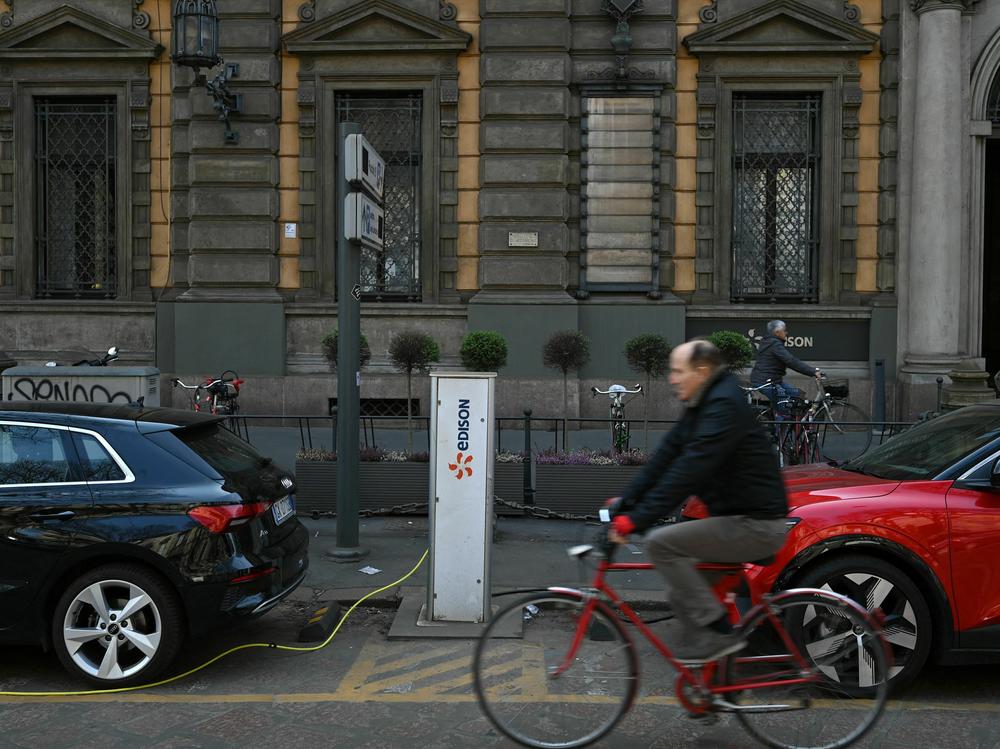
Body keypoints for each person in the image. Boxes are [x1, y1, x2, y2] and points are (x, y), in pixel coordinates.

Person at [608, 339, 789, 662]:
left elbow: (689, 471)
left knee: (661, 545)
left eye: (678, 371)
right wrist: (628, 501)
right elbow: (667, 456)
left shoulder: (723, 406)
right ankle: (709, 685)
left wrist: (637, 520)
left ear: (702, 371)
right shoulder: (704, 402)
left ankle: (720, 635)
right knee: (683, 594)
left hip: (756, 525)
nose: (672, 379)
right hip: (739, 518)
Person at [749, 320, 823, 413]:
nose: (786, 333)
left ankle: (792, 423)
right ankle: (781, 424)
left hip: (771, 381)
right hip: (766, 382)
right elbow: (791, 361)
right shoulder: (774, 344)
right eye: (784, 330)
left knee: (797, 395)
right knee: (784, 407)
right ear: (777, 333)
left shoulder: (769, 342)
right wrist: (813, 371)